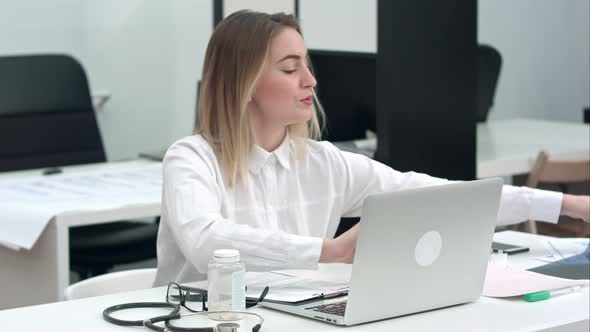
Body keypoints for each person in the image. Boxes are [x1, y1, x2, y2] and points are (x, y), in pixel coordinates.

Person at [153, 10, 589, 286]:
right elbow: (206, 242)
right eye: (291, 68)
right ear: (243, 83)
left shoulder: (323, 163)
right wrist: (333, 251)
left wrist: (567, 204)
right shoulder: (191, 159)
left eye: (307, 64)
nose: (311, 81)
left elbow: (436, 194)